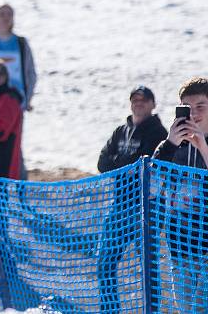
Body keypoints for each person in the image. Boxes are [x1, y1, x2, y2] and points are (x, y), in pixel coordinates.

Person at [96, 85, 167, 313]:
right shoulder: (120, 131)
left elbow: (141, 165)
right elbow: (102, 163)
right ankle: (111, 310)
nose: (139, 103)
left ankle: (152, 310)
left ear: (153, 104)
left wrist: (121, 162)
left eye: (144, 100)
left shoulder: (158, 133)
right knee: (104, 264)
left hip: (147, 207)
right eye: (135, 99)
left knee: (148, 266)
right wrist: (124, 163)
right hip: (120, 205)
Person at [152, 77, 208, 311]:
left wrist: (203, 147)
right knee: (186, 309)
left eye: (201, 107)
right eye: (187, 108)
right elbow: (151, 187)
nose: (193, 114)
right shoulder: (169, 146)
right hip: (179, 245)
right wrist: (170, 144)